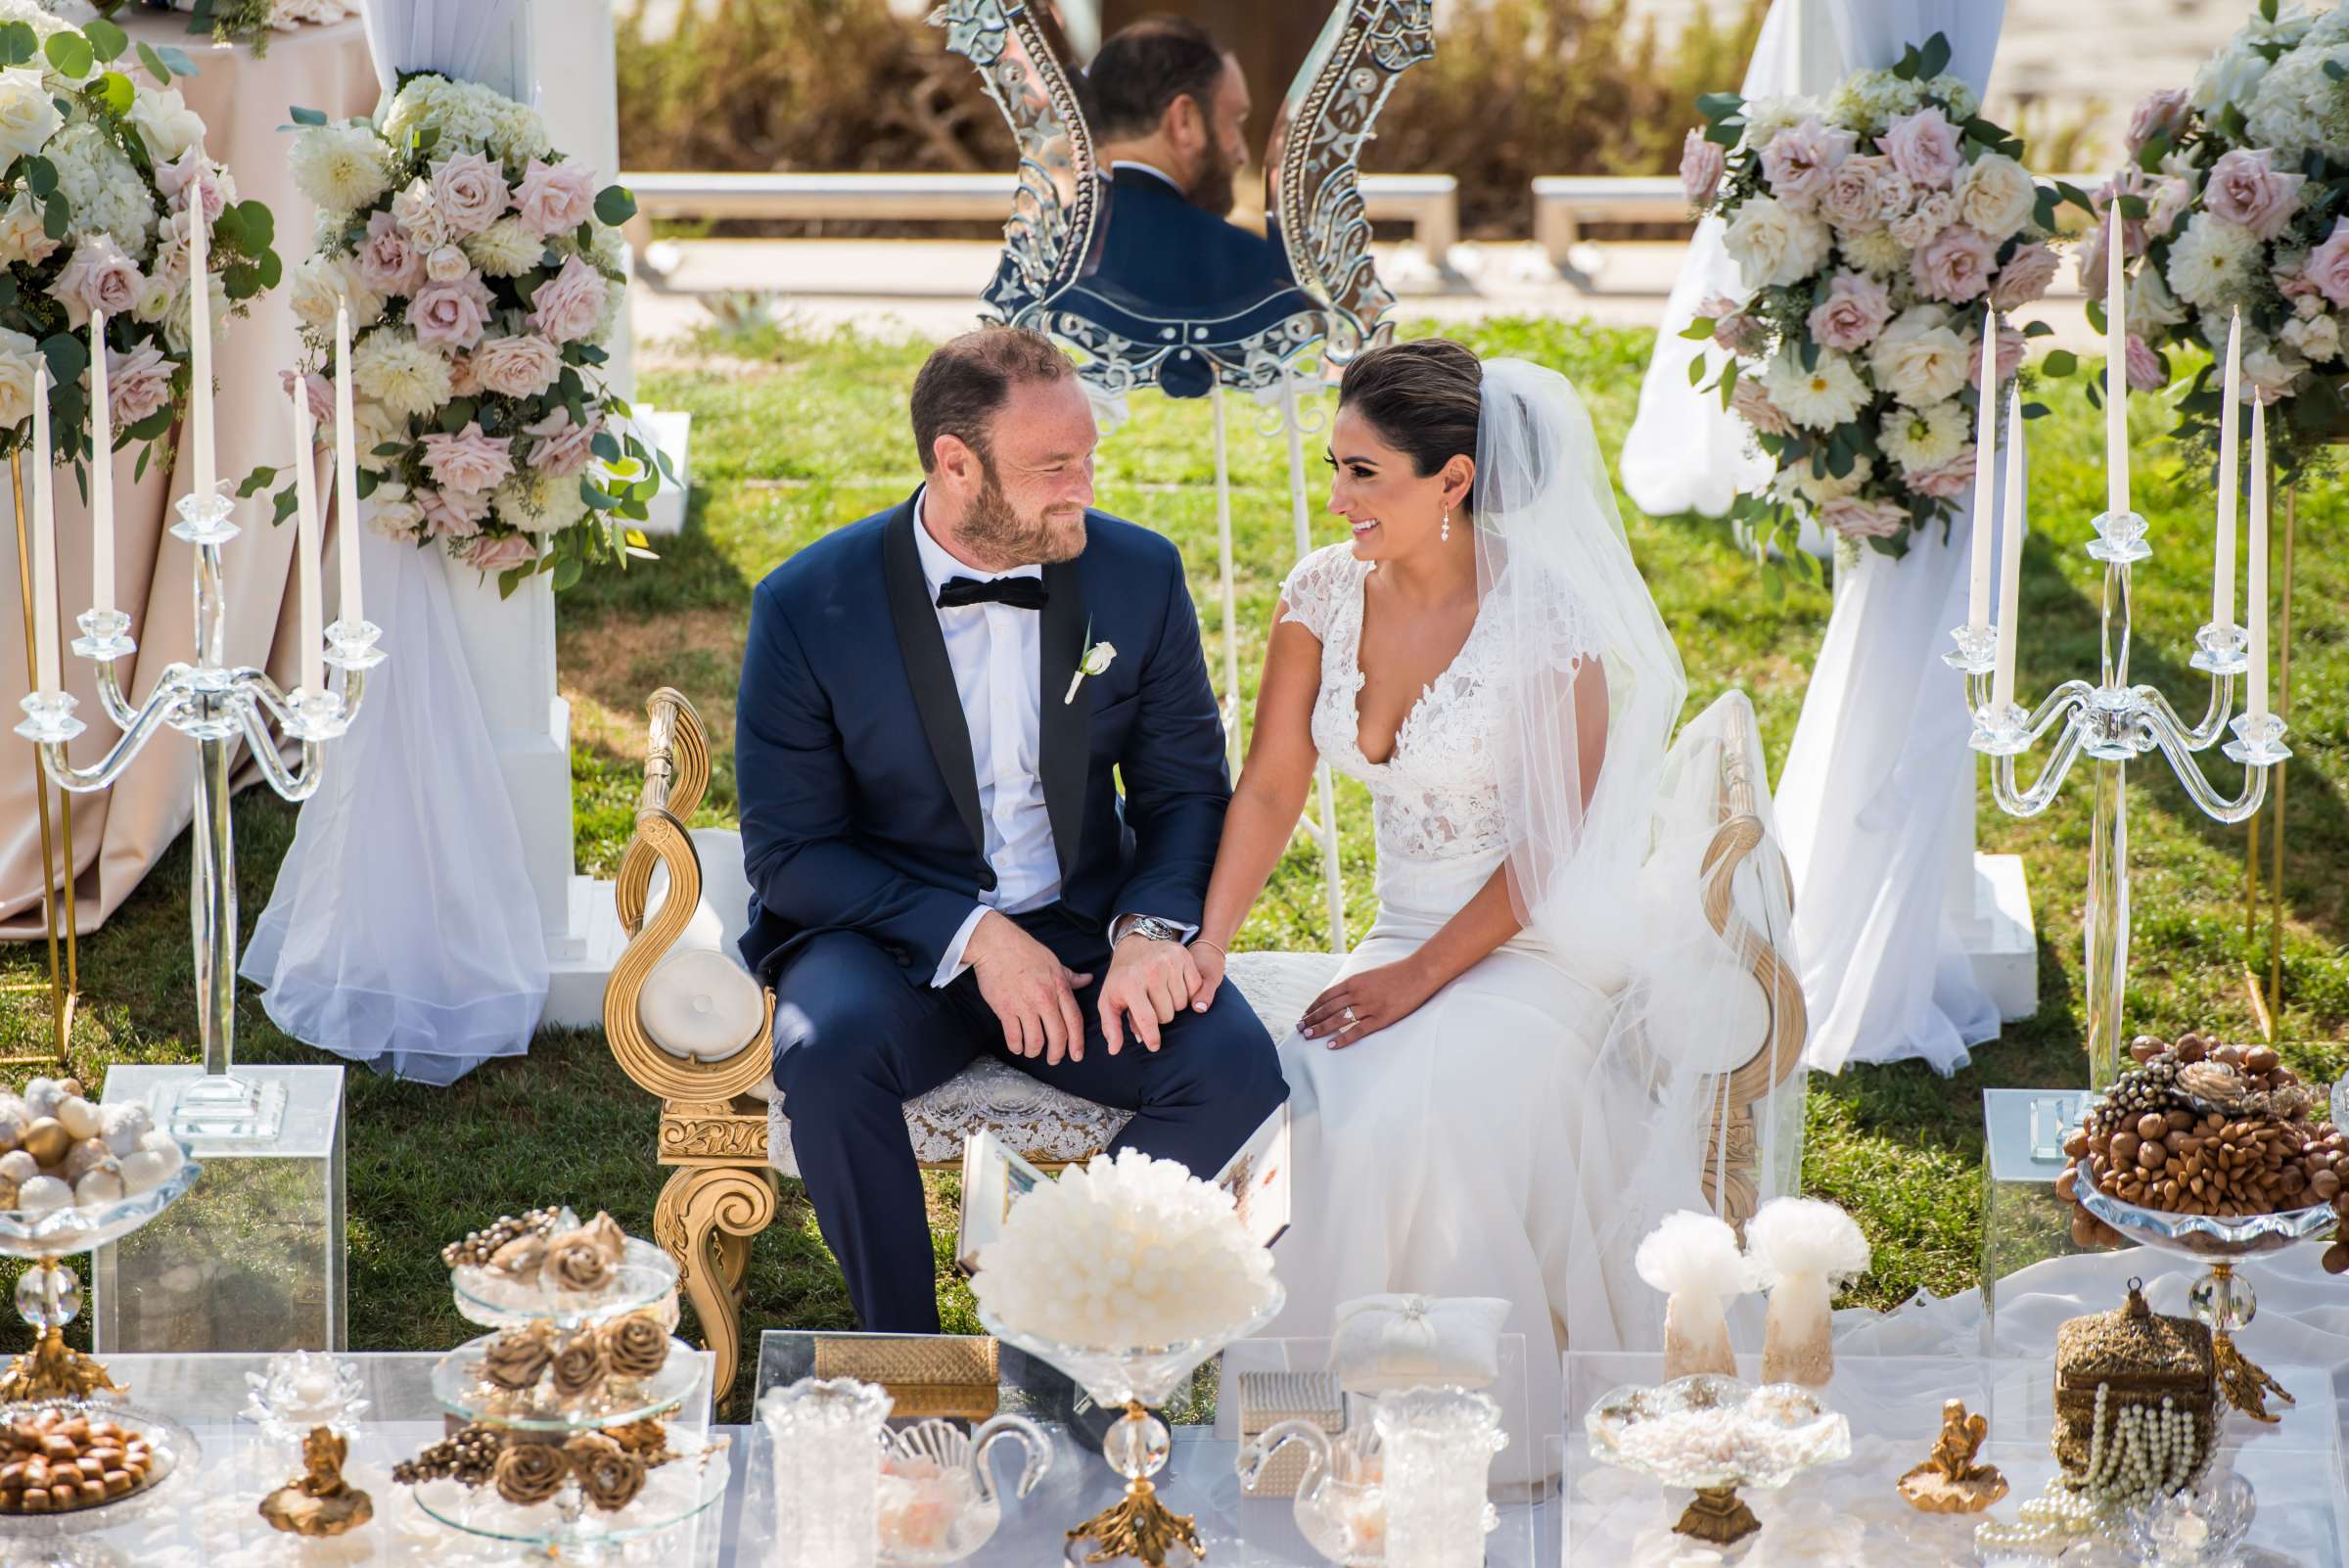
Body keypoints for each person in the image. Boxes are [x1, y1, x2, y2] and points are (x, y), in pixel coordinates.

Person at [1187, 339, 1795, 1453]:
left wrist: (1414, 981)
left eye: (1364, 473)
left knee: (1429, 1119)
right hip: (1398, 934)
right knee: (1325, 1109)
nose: (1338, 497)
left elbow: (1543, 855)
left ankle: (1461, 1440)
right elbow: (1273, 786)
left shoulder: (1550, 621)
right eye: (1337, 466)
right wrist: (1209, 943)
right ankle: (1314, 1442)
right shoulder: (1321, 593)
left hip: (1529, 945)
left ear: (1453, 480)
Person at [734, 325, 1289, 1334]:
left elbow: (1183, 794)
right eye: (1052, 467)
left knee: (1235, 1071)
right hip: (892, 938)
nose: (1083, 485)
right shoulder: (809, 606)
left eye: (1087, 458)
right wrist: (975, 937)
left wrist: (1147, 932)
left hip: (1083, 930)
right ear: (955, 464)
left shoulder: (1138, 575)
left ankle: (1050, 1309)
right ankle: (906, 1358)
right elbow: (789, 853)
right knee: (826, 1052)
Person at [1082, 16, 1297, 314]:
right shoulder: (1253, 270)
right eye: (1236, 122)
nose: (1243, 155)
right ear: (1185, 121)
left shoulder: (1037, 261)